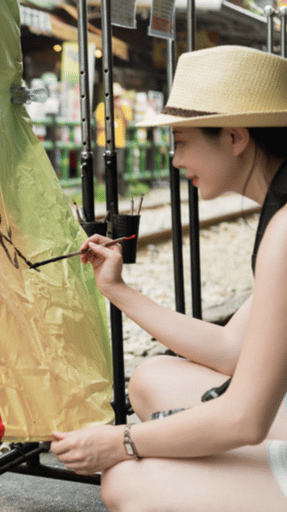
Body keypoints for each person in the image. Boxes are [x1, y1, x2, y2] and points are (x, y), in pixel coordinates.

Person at [51, 45, 287, 511]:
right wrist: (117, 290)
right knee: (152, 377)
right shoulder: (280, 210)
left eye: (182, 141)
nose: (176, 160)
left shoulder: (285, 230)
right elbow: (231, 351)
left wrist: (122, 441)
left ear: (235, 137)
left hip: (259, 417)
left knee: (127, 483)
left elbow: (244, 420)